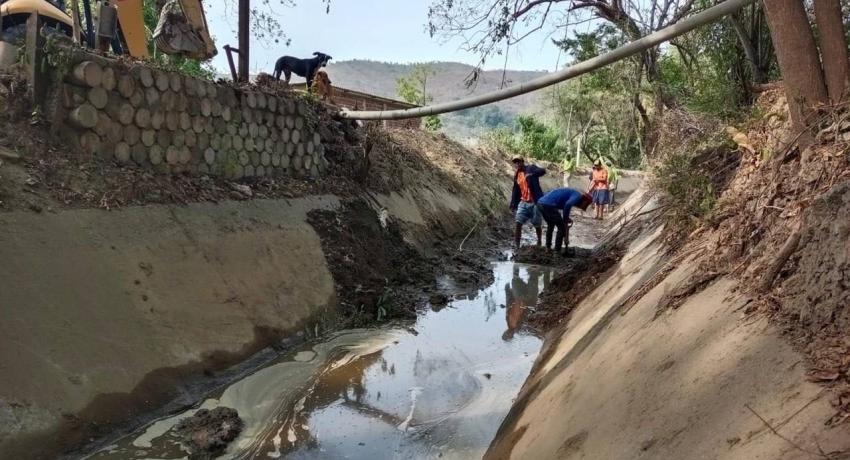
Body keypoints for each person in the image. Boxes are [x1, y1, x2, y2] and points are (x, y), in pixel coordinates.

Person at [537, 188, 593, 254]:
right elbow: (568, 205)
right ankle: (557, 251)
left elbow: (565, 206)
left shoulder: (573, 194)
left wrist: (566, 218)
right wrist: (565, 219)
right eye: (586, 204)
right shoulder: (578, 196)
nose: (584, 206)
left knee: (551, 224)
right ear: (585, 201)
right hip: (549, 205)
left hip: (540, 203)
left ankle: (548, 248)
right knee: (562, 228)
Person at [509, 157, 546, 248]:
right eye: (515, 163)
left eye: (518, 162)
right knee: (518, 222)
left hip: (535, 202)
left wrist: (532, 174)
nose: (517, 164)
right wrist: (513, 203)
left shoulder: (530, 168)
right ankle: (517, 245)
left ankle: (539, 241)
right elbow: (515, 190)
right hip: (523, 201)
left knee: (537, 224)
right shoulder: (517, 174)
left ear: (522, 162)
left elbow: (543, 171)